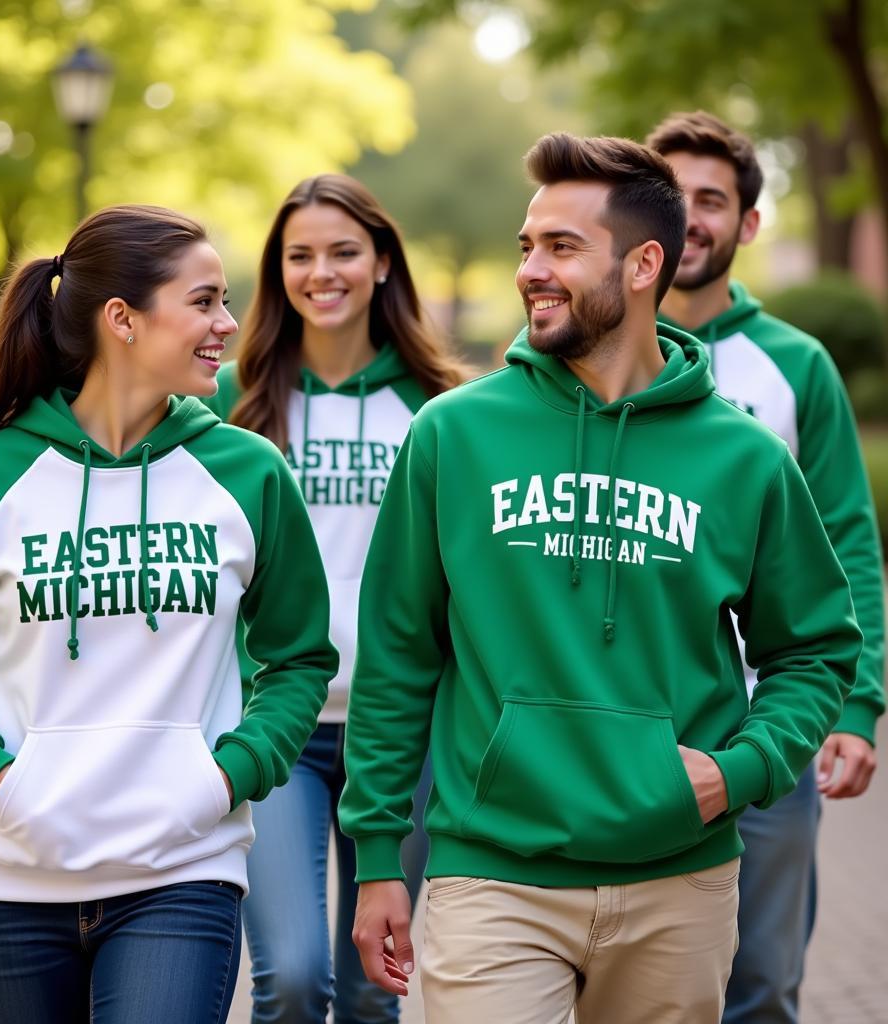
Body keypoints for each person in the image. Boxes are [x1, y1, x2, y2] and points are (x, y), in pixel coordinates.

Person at [338, 134, 863, 1024]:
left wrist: (741, 770)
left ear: (643, 263)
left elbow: (813, 649)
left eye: (562, 248)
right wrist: (381, 855)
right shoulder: (452, 435)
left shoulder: (746, 459)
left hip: (679, 878)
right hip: (491, 870)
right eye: (526, 246)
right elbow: (396, 655)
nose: (531, 271)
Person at [0, 204, 338, 1024]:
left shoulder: (247, 472)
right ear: (122, 318)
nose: (228, 324)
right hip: (3, 877)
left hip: (181, 870)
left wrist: (224, 777)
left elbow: (298, 658)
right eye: (203, 302)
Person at [204, 172, 467, 1024]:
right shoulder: (230, 404)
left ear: (384, 262)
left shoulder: (443, 407)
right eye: (300, 255)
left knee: (370, 987)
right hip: (277, 723)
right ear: (278, 271)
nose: (323, 272)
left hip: (405, 731)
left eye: (344, 251)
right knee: (290, 975)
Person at [646, 110, 885, 1024]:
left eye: (714, 200)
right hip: (623, 730)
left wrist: (856, 701)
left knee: (762, 987)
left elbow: (845, 542)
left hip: (766, 729)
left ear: (748, 224)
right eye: (672, 197)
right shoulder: (589, 359)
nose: (691, 217)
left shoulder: (796, 366)